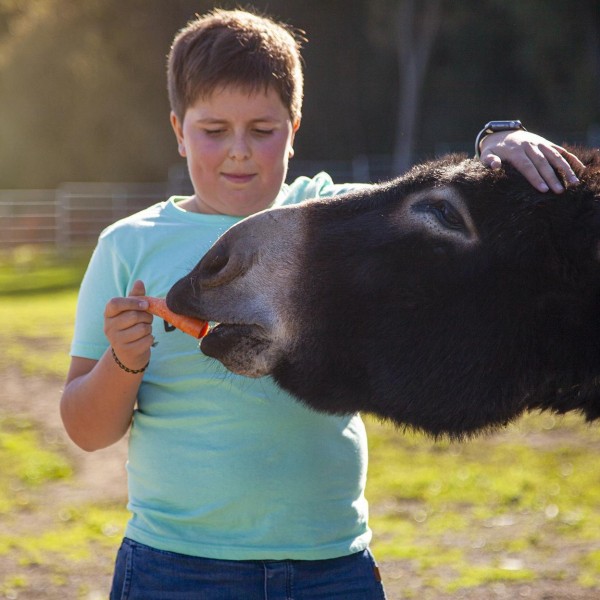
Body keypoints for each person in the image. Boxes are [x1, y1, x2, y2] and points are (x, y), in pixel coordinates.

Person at [60, 8, 583, 599]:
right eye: (213, 131)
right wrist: (124, 362)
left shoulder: (326, 214)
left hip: (330, 565)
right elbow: (86, 429)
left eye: (263, 130)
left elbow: (429, 199)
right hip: (177, 567)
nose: (238, 151)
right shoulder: (128, 245)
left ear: (294, 126)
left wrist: (496, 138)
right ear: (178, 130)